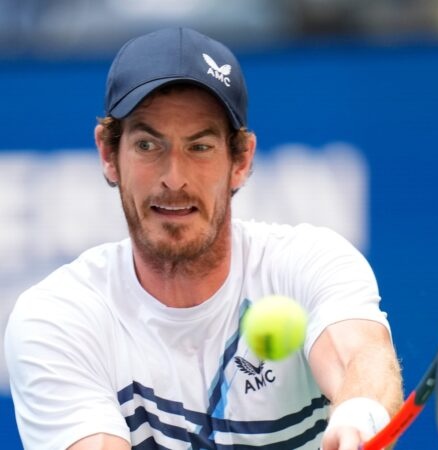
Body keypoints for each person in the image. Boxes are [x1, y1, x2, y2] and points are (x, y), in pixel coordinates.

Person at [4, 27, 403, 450]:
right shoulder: (59, 317)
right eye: (147, 145)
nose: (174, 179)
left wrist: (360, 416)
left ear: (241, 160)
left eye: (200, 147)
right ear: (108, 154)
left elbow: (361, 356)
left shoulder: (310, 262)